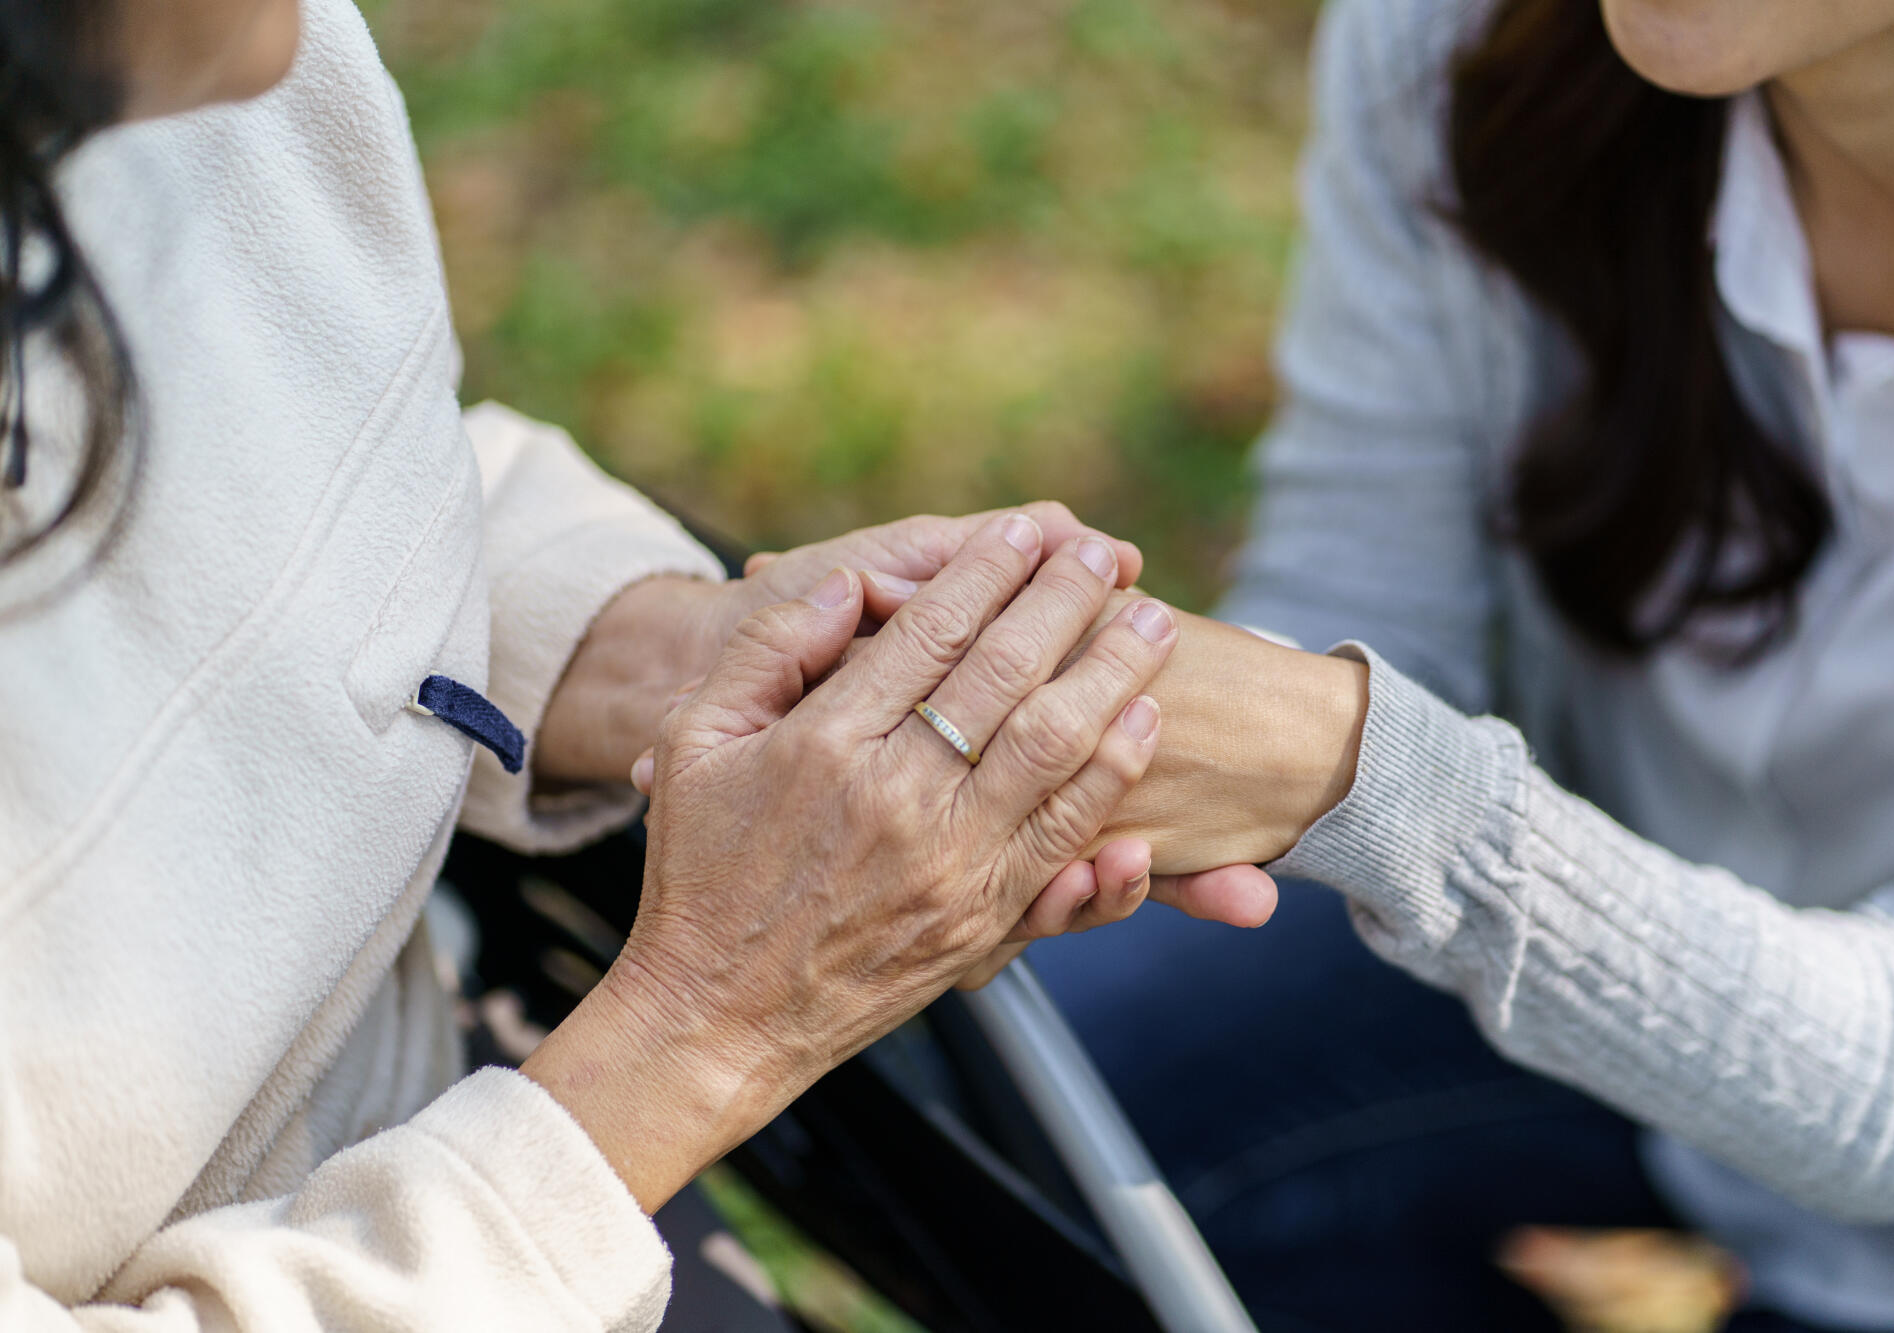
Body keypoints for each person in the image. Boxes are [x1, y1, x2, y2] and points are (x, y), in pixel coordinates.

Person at [0, 0, 1279, 1328]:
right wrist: (705, 1031)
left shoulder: (234, 56)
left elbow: (345, 473)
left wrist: (678, 650)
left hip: (482, 1128)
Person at [1021, 0, 1894, 1329]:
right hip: (1621, 1028)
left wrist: (1360, 770)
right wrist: (1072, 706)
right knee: (1002, 1092)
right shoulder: (1464, 42)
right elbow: (1354, 599)